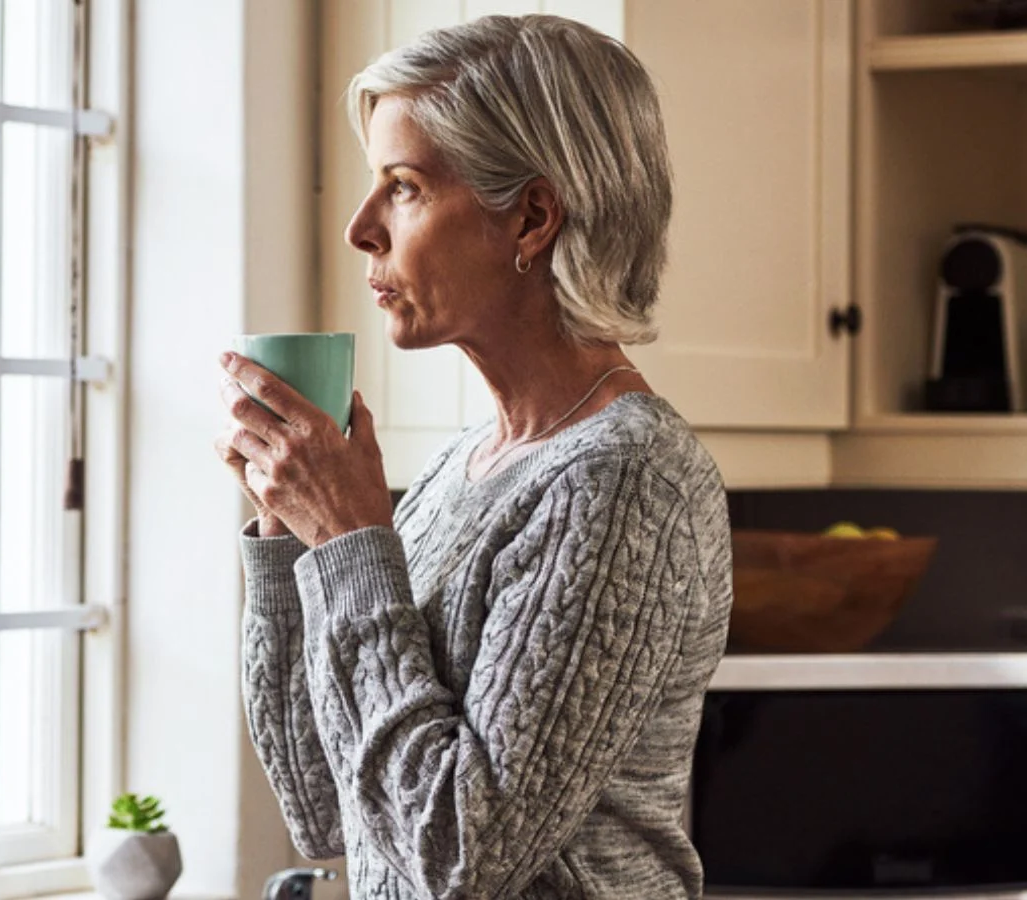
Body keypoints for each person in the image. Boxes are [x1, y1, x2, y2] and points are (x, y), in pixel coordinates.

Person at [214, 14, 732, 899]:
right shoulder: (465, 467)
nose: (360, 229)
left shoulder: (623, 477)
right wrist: (288, 534)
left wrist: (349, 546)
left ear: (531, 216)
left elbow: (462, 858)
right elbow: (326, 806)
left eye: (403, 186)